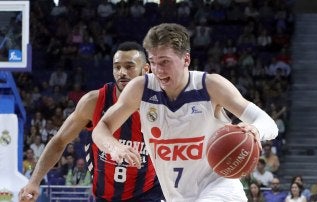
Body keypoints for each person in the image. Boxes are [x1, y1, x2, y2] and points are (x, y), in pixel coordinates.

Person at [92, 23, 278, 201]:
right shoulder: (141, 89)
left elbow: (268, 123)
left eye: (165, 62)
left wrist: (256, 130)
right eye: (153, 62)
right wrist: (114, 147)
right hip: (177, 195)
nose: (158, 70)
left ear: (186, 59)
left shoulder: (211, 86)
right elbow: (101, 129)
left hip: (220, 189)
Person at [19, 41, 164, 201]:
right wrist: (34, 181)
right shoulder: (93, 101)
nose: (122, 72)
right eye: (117, 67)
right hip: (105, 195)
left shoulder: (161, 103)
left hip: (149, 192)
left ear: (145, 69)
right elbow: (59, 141)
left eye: (129, 67)